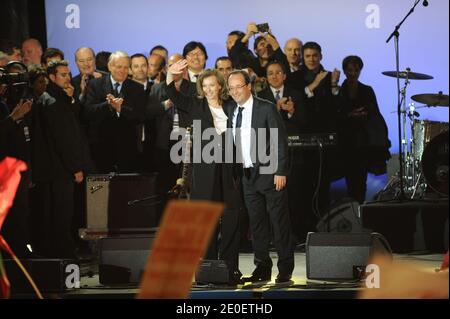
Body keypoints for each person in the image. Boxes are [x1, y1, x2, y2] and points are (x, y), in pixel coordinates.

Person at [167, 60, 243, 285]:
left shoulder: (231, 106)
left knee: (231, 218)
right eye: (205, 86)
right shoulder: (195, 105)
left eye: (213, 85)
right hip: (204, 170)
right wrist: (172, 75)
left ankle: (230, 269)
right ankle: (208, 268)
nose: (209, 89)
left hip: (230, 169)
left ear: (220, 86)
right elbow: (173, 93)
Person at [227, 69, 294, 284]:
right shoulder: (232, 110)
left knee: (278, 222)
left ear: (248, 86)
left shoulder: (265, 108)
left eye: (239, 86)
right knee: (256, 224)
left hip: (269, 172)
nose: (235, 91)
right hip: (247, 175)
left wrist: (281, 171)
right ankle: (262, 268)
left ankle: (285, 269)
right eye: (232, 88)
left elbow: (279, 141)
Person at [31, 60, 85, 258]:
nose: (68, 78)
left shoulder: (48, 98)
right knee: (61, 214)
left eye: (68, 74)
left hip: (51, 169)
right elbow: (64, 139)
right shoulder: (54, 101)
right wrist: (75, 167)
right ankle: (64, 254)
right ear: (51, 77)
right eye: (63, 75)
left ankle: (56, 253)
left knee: (54, 214)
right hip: (60, 170)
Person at [338, 55, 391, 203]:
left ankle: (359, 211)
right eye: (349, 70)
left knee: (360, 182)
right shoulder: (339, 90)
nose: (353, 73)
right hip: (344, 142)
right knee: (349, 181)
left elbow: (374, 114)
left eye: (356, 70)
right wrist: (350, 114)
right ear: (344, 71)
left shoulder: (367, 90)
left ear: (360, 70)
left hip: (363, 143)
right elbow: (336, 113)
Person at [84, 51, 146, 173]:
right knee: (99, 190)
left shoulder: (137, 88)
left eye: (126, 67)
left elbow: (141, 116)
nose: (122, 70)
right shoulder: (94, 85)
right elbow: (87, 111)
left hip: (127, 150)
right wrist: (108, 105)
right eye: (119, 67)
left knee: (125, 190)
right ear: (110, 66)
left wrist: (120, 109)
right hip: (100, 149)